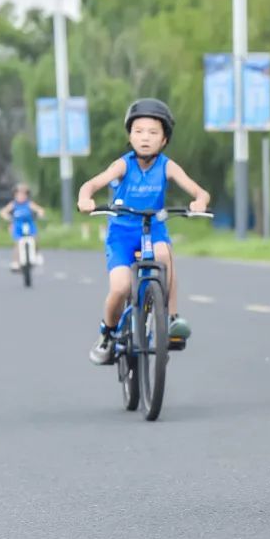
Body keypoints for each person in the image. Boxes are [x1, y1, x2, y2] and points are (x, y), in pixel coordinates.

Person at [76, 98, 211, 365]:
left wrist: (200, 202)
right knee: (121, 286)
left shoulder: (167, 166)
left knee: (163, 255)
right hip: (121, 234)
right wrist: (85, 200)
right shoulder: (122, 165)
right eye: (138, 131)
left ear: (164, 140)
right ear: (130, 135)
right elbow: (91, 185)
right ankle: (107, 333)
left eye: (153, 132)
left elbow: (199, 191)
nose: (145, 138)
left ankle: (171, 320)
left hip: (153, 228)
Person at [0, 183, 45, 270]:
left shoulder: (29, 204)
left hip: (29, 224)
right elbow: (3, 212)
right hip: (18, 225)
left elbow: (40, 210)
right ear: (15, 195)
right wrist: (8, 217)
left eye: (23, 194)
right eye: (19, 194)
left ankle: (37, 254)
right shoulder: (13, 204)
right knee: (17, 243)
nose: (21, 196)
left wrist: (40, 214)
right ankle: (16, 262)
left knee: (35, 238)